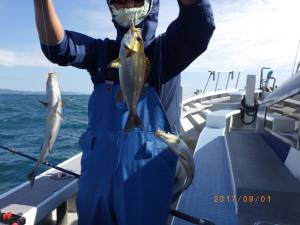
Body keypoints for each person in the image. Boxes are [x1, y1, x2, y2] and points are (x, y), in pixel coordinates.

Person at [33, 0, 215, 224]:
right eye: (120, 0)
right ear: (111, 7)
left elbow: (197, 28)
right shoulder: (102, 53)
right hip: (95, 187)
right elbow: (60, 47)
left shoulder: (166, 52)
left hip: (144, 187)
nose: (128, 4)